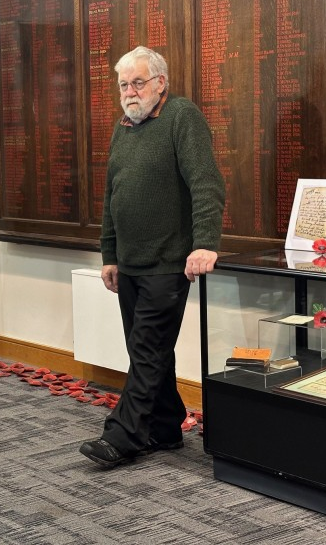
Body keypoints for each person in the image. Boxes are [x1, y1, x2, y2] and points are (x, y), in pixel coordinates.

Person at [79, 46, 225, 469]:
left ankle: (122, 436)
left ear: (160, 82)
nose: (130, 92)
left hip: (168, 263)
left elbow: (206, 183)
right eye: (124, 85)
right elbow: (113, 195)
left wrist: (205, 243)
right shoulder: (123, 126)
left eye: (138, 82)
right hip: (130, 264)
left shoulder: (182, 117)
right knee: (148, 351)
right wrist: (110, 253)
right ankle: (164, 427)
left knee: (145, 349)